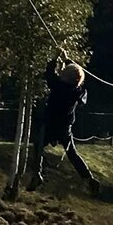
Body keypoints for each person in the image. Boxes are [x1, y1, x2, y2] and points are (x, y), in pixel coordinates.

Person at [30, 55, 98, 194]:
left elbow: (49, 72)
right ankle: (89, 178)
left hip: (49, 124)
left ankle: (37, 174)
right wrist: (68, 61)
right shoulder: (77, 91)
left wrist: (55, 58)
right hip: (65, 128)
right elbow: (80, 82)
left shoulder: (57, 85)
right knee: (72, 154)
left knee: (38, 146)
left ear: (65, 75)